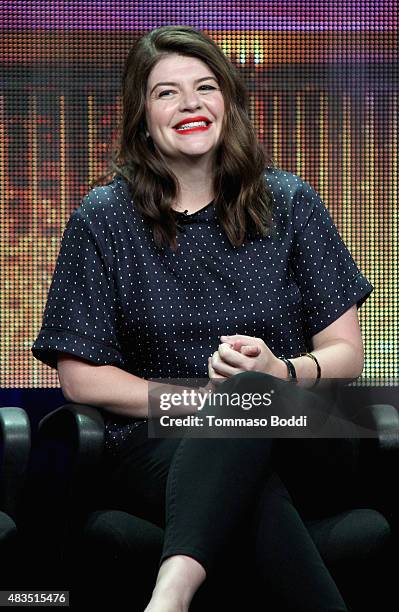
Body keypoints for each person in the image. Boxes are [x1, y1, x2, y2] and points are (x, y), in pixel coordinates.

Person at [32, 26, 373, 611]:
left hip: (296, 431)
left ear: (227, 103)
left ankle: (169, 596)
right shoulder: (104, 216)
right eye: (166, 93)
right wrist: (202, 402)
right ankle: (175, 590)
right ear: (142, 115)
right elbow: (82, 379)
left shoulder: (289, 200)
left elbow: (347, 351)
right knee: (242, 481)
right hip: (159, 440)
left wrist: (277, 373)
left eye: (205, 87)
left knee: (245, 408)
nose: (189, 104)